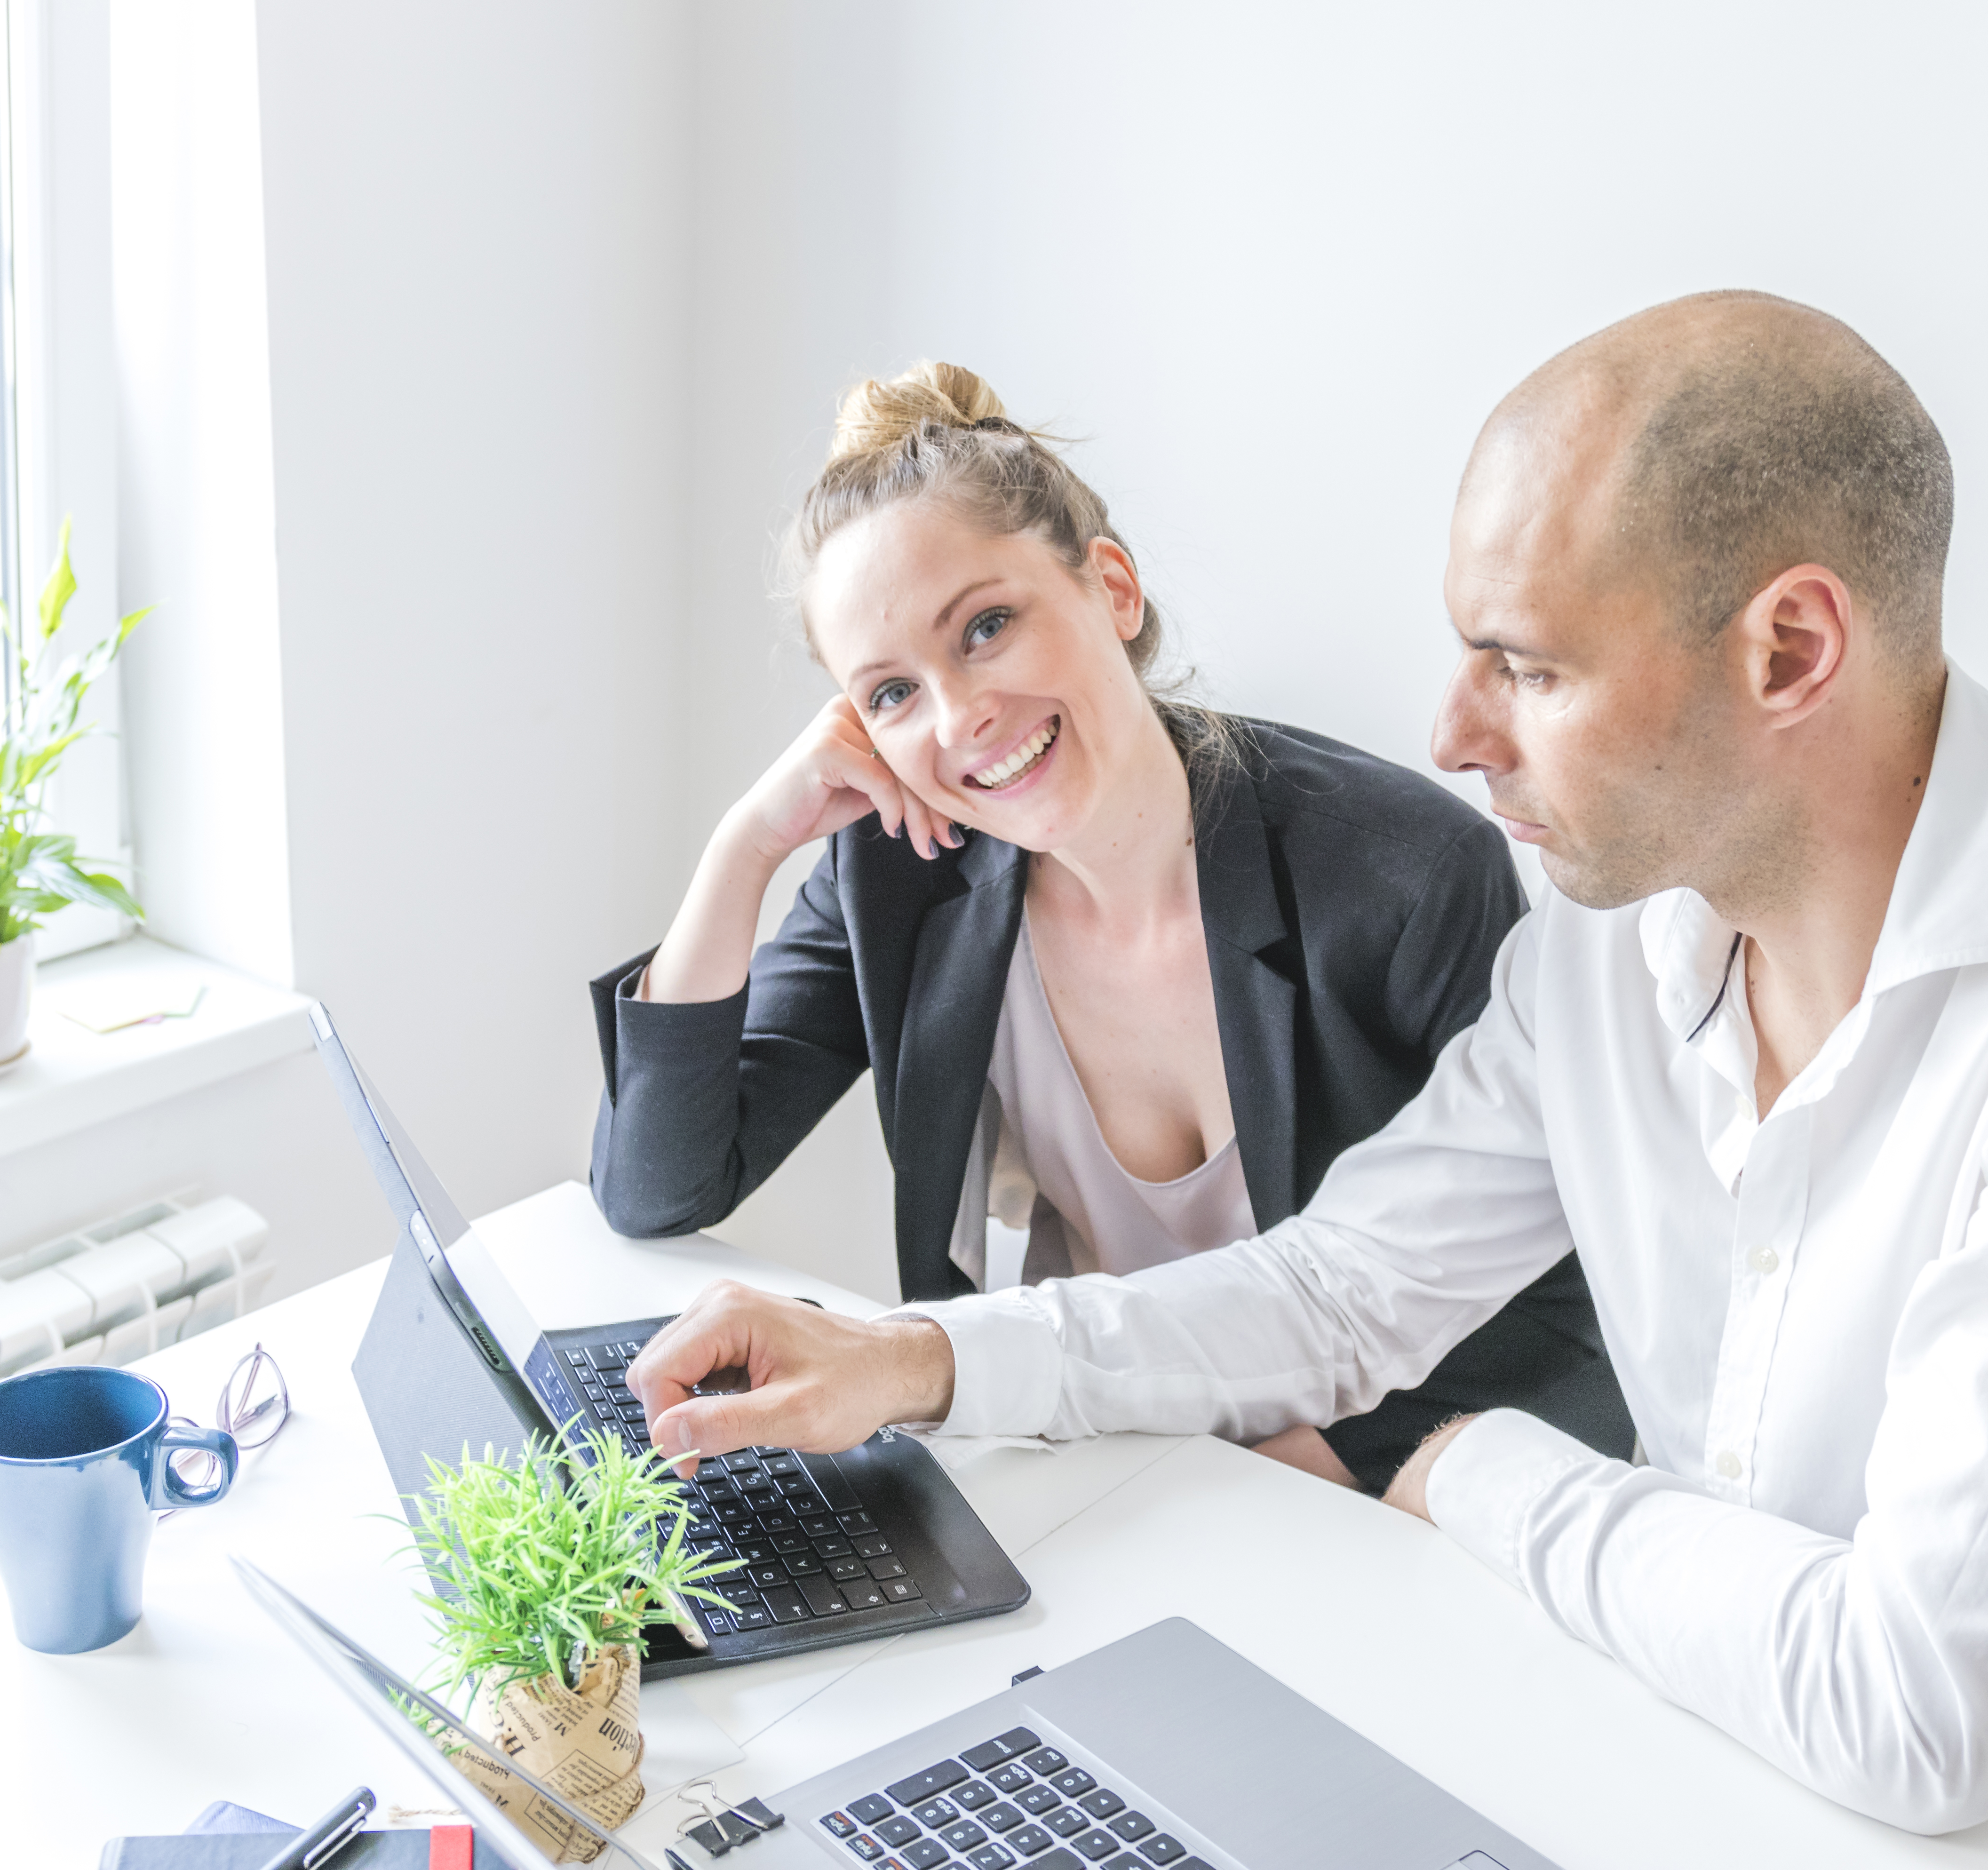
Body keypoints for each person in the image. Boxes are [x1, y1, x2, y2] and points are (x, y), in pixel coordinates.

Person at [620, 298, 1988, 1866]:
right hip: (1701, 1770)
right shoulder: (1612, 943)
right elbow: (1338, 1286)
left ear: (1789, 650)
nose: (1450, 734)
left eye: (1528, 666)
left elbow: (1927, 1713)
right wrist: (921, 1361)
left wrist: (1485, 1472)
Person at [588, 362, 1631, 1493]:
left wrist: (1301, 1472)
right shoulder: (900, 870)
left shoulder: (1405, 874)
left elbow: (1575, 1307)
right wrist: (746, 845)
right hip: (1063, 1460)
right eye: (889, 693)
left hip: (1334, 1489)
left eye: (986, 627)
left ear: (1113, 590)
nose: (959, 716)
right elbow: (659, 1183)